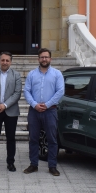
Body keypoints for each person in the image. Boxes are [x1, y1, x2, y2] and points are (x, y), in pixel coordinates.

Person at [23, 48, 64, 176]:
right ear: (38, 59)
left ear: (50, 59)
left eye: (46, 57)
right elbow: (26, 91)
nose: (44, 59)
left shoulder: (57, 74)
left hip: (50, 111)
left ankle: (52, 166)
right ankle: (33, 164)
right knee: (34, 139)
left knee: (52, 139)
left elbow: (60, 92)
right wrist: (35, 105)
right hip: (34, 111)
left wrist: (46, 105)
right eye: (42, 57)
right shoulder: (32, 74)